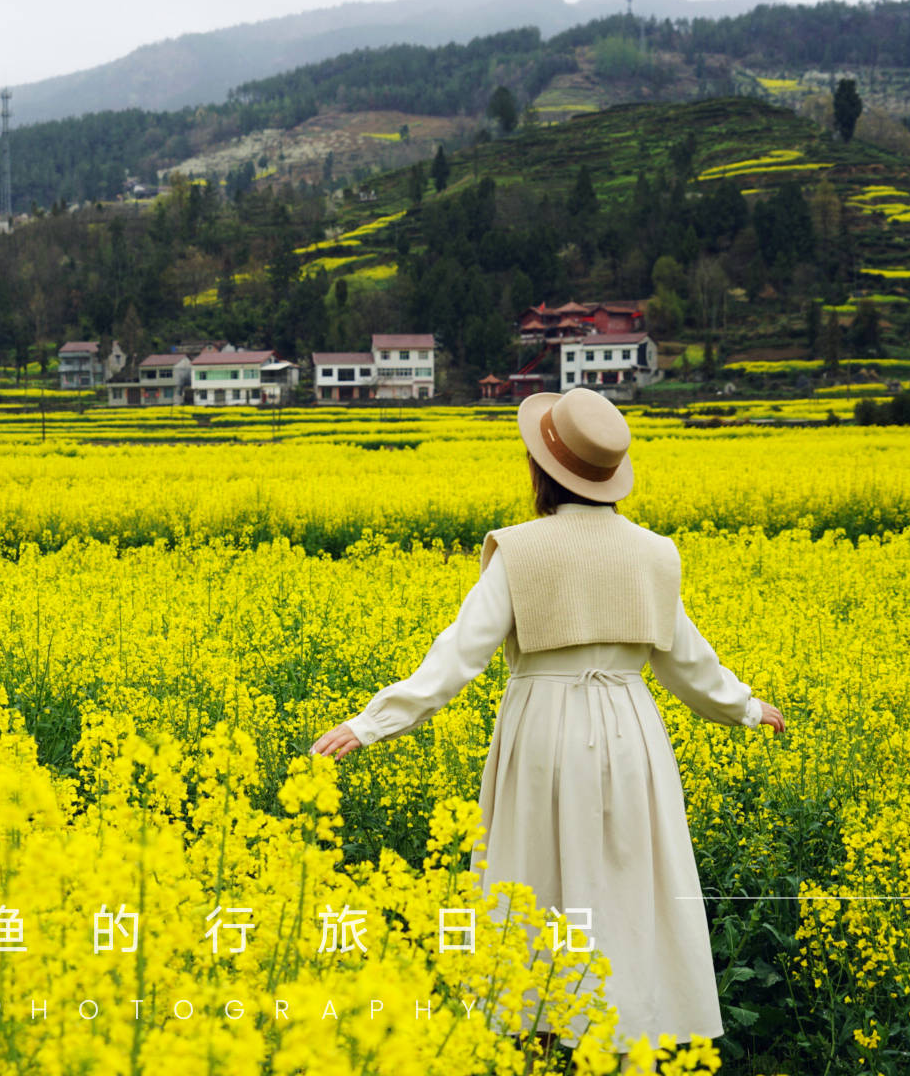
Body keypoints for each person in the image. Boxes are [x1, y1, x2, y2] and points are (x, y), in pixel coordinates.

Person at [309, 386, 786, 1065]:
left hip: (543, 736)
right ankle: (628, 1046)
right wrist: (747, 708)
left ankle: (540, 1041)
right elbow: (688, 662)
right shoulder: (654, 552)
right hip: (631, 736)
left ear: (542, 468)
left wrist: (373, 722)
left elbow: (458, 654)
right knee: (626, 890)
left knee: (533, 891)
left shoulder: (521, 551)